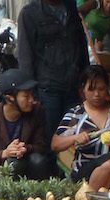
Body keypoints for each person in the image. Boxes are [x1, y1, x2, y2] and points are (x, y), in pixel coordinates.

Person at [53, 65, 110, 190]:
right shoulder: (76, 114)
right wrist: (74, 138)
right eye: (91, 90)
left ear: (107, 88)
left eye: (101, 89)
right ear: (83, 90)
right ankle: (88, 199)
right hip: (85, 171)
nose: (96, 94)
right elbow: (55, 144)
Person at [18, 0, 90, 142]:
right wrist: (30, 92)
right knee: (50, 138)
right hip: (48, 89)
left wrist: (86, 79)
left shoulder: (70, 7)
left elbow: (81, 44)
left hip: (73, 86)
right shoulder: (30, 13)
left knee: (75, 135)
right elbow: (25, 55)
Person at [0, 70, 52, 180]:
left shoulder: (37, 112)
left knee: (38, 160)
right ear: (10, 98)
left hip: (29, 169)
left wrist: (25, 148)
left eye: (32, 94)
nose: (32, 100)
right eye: (26, 96)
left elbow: (42, 146)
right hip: (0, 174)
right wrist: (6, 153)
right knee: (13, 164)